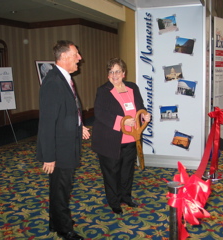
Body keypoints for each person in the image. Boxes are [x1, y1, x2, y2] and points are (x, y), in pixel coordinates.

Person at [36, 40, 90, 240]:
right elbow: (47, 123)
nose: (80, 58)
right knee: (61, 189)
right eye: (76, 54)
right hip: (59, 149)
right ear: (65, 56)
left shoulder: (62, 77)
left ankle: (55, 221)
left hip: (66, 142)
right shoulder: (53, 82)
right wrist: (49, 156)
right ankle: (64, 229)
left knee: (59, 188)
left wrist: (79, 127)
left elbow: (65, 112)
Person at [91, 58, 151, 215]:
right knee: (111, 172)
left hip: (132, 138)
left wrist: (144, 114)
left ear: (124, 73)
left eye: (117, 71)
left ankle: (126, 197)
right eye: (111, 72)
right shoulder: (103, 90)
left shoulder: (132, 87)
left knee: (127, 171)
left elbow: (140, 106)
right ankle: (114, 202)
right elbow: (100, 113)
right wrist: (122, 122)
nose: (114, 75)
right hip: (110, 140)